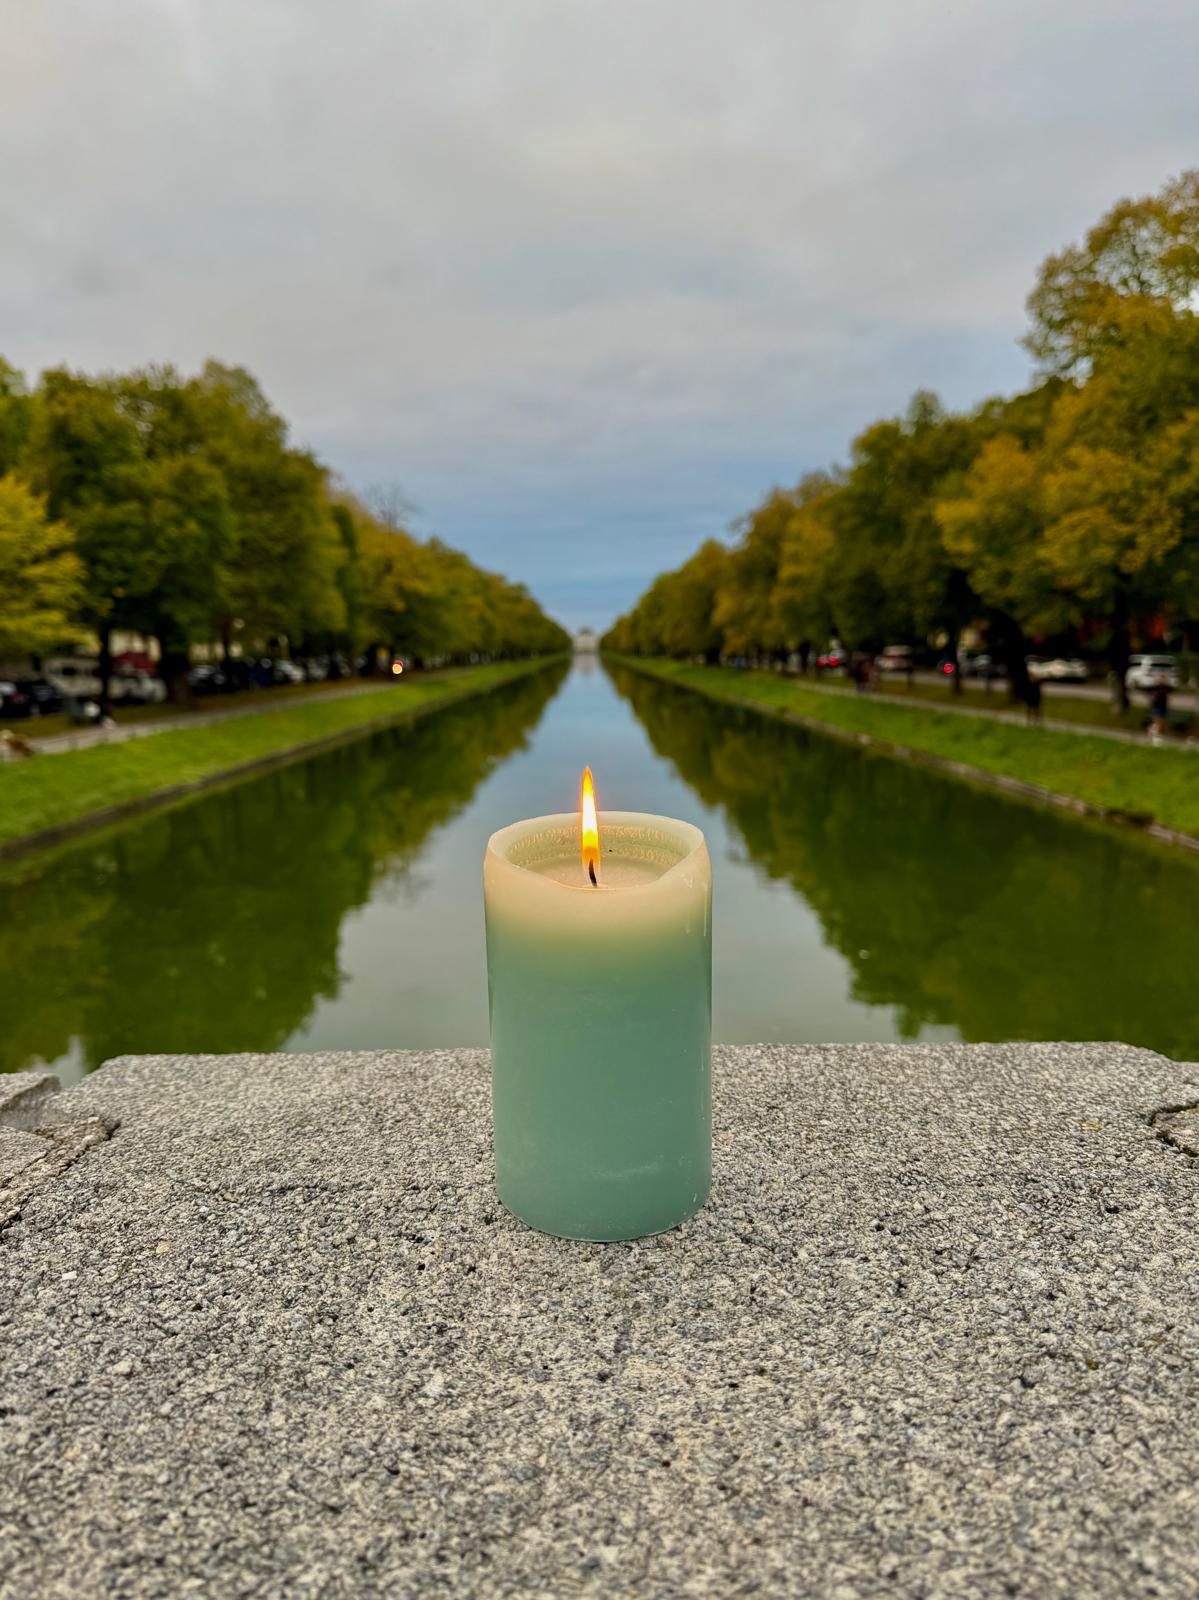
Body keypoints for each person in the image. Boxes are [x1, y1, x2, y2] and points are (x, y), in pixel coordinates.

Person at [1149, 681, 1170, 745]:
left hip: (1162, 709)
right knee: (1158, 723)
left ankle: (1156, 734)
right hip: (1157, 709)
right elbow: (1153, 701)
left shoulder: (1164, 692)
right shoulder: (1156, 692)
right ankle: (1155, 736)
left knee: (1160, 723)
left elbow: (1165, 702)